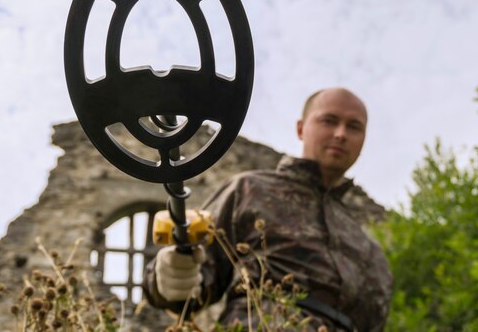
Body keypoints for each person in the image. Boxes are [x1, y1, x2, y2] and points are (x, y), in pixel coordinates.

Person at [143, 88, 393, 332]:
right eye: (329, 121)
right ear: (300, 128)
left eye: (354, 126)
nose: (341, 134)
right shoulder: (249, 190)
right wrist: (169, 276)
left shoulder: (369, 248)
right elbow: (192, 284)